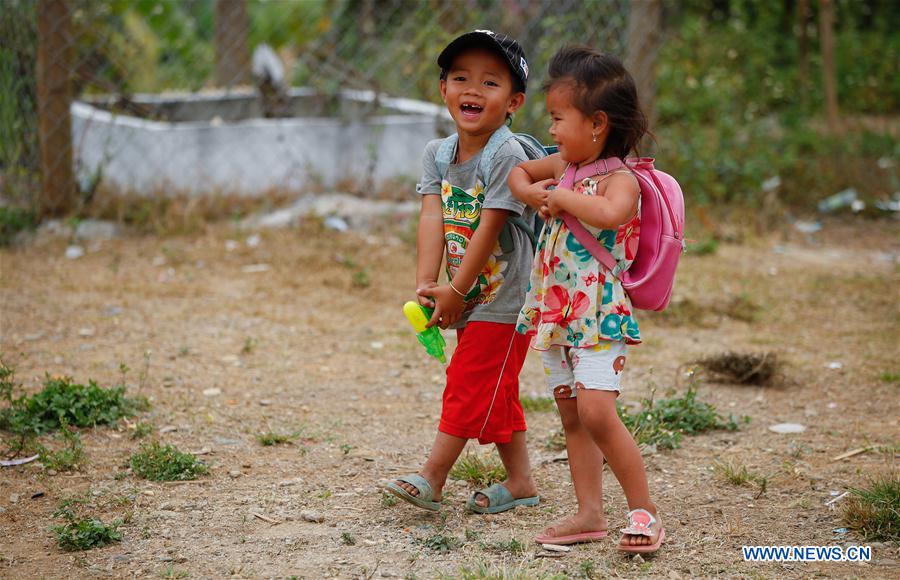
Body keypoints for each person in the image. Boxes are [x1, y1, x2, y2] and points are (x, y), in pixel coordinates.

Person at [509, 45, 664, 553]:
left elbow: (612, 215)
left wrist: (561, 196)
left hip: (596, 310)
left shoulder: (622, 178)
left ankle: (645, 510)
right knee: (572, 413)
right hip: (557, 309)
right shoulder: (566, 166)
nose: (550, 131)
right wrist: (533, 193)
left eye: (558, 119)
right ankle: (589, 513)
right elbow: (519, 175)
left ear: (597, 123)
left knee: (598, 412)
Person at [384, 30, 540, 515]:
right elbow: (432, 216)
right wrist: (429, 285)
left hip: (506, 298)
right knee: (493, 388)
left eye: (490, 82)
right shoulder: (437, 153)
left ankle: (433, 477)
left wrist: (455, 289)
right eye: (460, 78)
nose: (473, 89)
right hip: (466, 294)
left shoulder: (508, 156)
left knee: (470, 382)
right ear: (443, 89)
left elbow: (491, 229)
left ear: (513, 101)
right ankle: (520, 483)